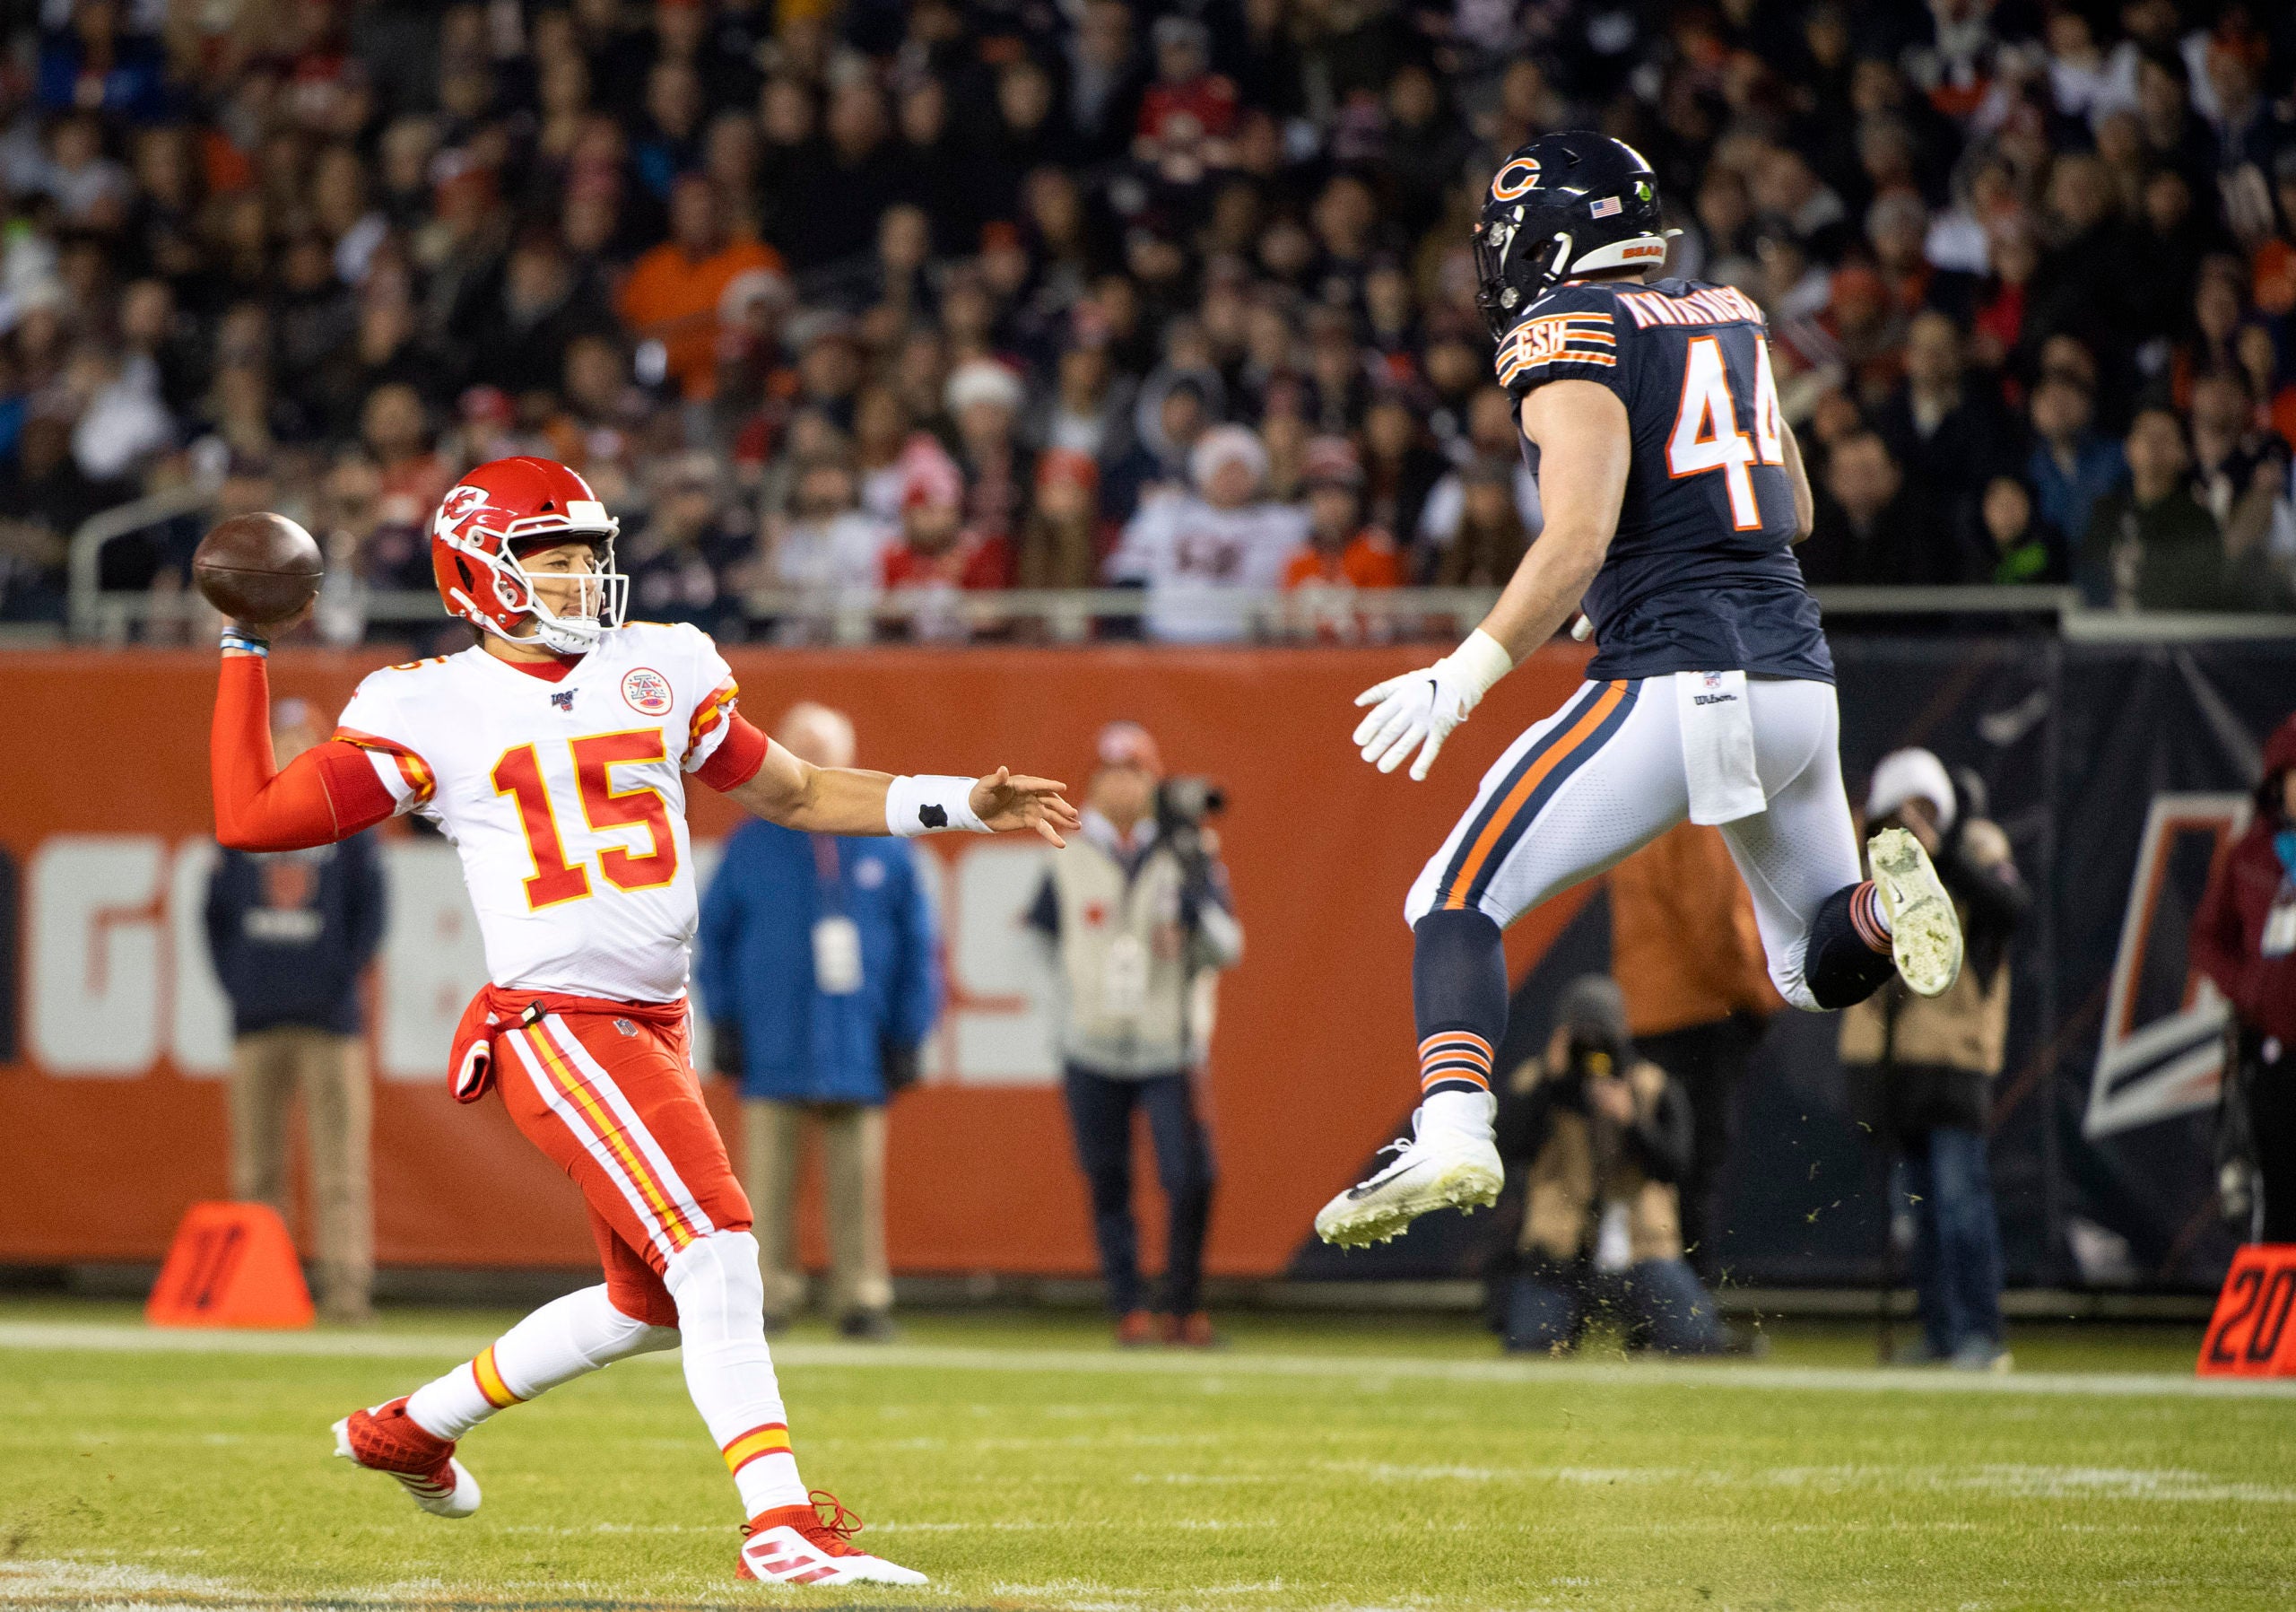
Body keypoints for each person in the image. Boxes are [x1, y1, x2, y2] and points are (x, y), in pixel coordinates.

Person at [208, 457, 1076, 1586]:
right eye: (552, 560)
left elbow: (799, 792)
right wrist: (244, 649)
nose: (580, 581)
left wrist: (964, 801)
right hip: (558, 1020)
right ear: (478, 572)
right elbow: (254, 817)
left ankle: (413, 1426)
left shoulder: (657, 667)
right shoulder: (428, 705)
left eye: (587, 556)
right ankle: (779, 1523)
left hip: (650, 1020)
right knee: (716, 1246)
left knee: (649, 1298)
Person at [1316, 134, 1966, 1250]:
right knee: (1816, 964)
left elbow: (1575, 535)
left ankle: (1454, 1125)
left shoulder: (1568, 329)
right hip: (1797, 682)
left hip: (1679, 677)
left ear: (1556, 236)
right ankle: (1879, 907)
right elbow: (1788, 510)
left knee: (1451, 897)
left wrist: (1460, 673)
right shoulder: (1732, 312)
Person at [697, 702, 941, 1341]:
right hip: (773, 1035)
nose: (814, 762)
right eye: (802, 747)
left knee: (856, 1177)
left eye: (824, 748)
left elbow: (919, 943)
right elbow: (712, 935)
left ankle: (862, 1294)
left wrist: (910, 1030)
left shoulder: (883, 843)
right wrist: (723, 1019)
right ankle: (768, 1294)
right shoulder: (751, 840)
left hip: (858, 1037)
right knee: (764, 1183)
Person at [1026, 722, 1242, 1346]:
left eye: (1135, 772)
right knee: (1108, 1178)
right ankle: (1130, 1306)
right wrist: (1060, 1019)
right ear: (1094, 784)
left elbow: (1229, 947)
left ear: (1154, 783)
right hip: (1091, 1041)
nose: (1122, 784)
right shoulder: (1065, 852)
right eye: (1112, 772)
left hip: (1168, 1042)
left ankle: (1184, 1303)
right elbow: (1038, 941)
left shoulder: (1188, 849)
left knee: (1190, 1175)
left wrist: (1194, 918)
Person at [1840, 750, 2028, 1371]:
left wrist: (1940, 857)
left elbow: (2012, 908)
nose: (1914, 825)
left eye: (1925, 811)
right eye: (1903, 813)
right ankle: (1943, 1333)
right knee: (1915, 1214)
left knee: (1959, 1205)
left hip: (1954, 1060)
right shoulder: (1867, 862)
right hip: (1895, 1064)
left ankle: (1981, 1332)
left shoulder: (1973, 846)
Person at [203, 696, 387, 1325]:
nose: (290, 749)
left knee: (341, 1169)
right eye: (281, 738)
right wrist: (241, 985)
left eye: (301, 738)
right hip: (258, 1017)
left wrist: (337, 978)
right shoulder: (243, 819)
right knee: (255, 1168)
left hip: (331, 1019)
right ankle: (263, 1290)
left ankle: (345, 1291)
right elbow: (214, 914)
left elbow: (372, 916)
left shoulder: (348, 824)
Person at [1494, 976, 1730, 1355]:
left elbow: (1674, 1168)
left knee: (1696, 1343)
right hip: (1559, 1251)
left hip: (1643, 1249)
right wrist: (1551, 1086)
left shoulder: (1652, 1086)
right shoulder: (1537, 1083)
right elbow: (1510, 1149)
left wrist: (1631, 1121)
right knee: (1530, 1348)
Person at [1607, 822, 1781, 1277]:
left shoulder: (1639, 806)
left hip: (1644, 1008)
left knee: (1652, 1170)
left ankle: (1656, 1313)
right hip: (1701, 1010)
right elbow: (1715, 922)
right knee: (1695, 1168)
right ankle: (1686, 1316)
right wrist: (1759, 995)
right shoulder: (1696, 811)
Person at [2191, 713, 2296, 1240]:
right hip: (2271, 1052)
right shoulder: (2251, 856)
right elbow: (2207, 938)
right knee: (2275, 1190)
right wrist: (2248, 989)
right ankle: (2283, 1323)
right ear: (2279, 783)